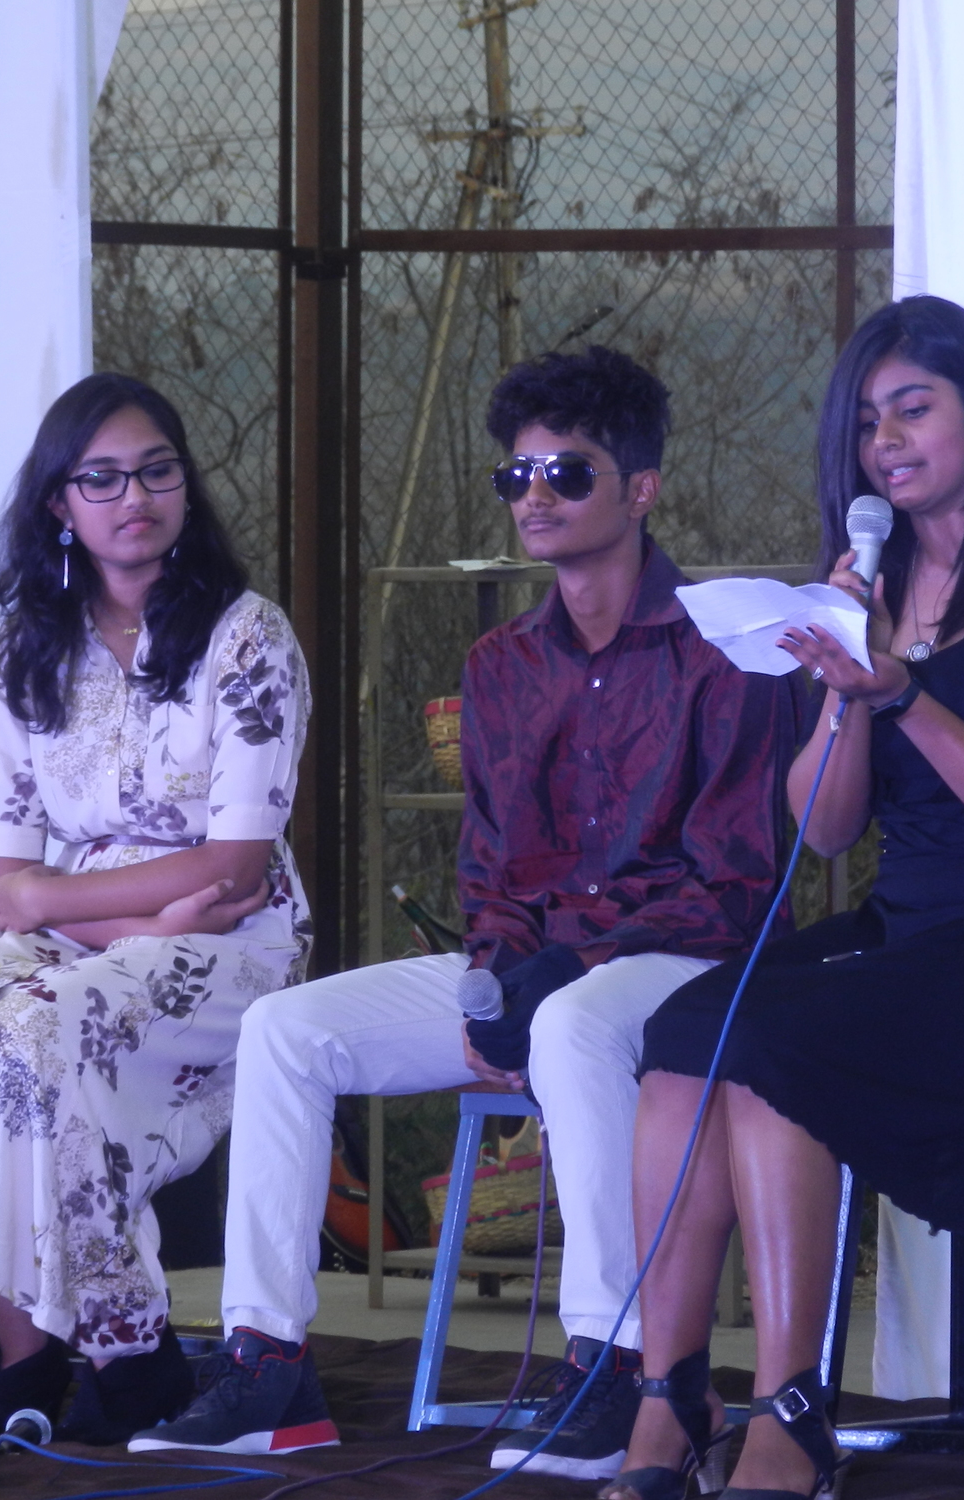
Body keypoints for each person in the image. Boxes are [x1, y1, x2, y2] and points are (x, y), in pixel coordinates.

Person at [138, 345, 805, 1465]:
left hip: (688, 968)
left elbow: (732, 880)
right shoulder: (500, 664)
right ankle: (268, 1368)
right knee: (285, 1029)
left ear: (641, 488)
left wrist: (564, 971)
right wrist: (495, 974)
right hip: (541, 969)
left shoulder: (724, 650)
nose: (534, 495)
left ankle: (619, 1368)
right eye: (516, 476)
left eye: (567, 473)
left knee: (574, 1022)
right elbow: (492, 866)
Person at [602, 295, 964, 1500]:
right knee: (684, 1032)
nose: (884, 443)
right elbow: (828, 826)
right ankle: (667, 1397)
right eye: (863, 423)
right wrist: (847, 678)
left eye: (911, 410)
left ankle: (791, 1415)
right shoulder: (873, 585)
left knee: (780, 1048)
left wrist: (903, 696)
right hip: (912, 928)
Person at [0, 373, 312, 1444]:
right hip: (107, 931)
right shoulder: (18, 651)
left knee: (38, 1030)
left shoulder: (246, 637)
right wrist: (129, 924)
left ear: (185, 486)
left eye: (157, 472)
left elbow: (234, 866)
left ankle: (127, 1353)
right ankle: (26, 1352)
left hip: (234, 940)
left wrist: (67, 903)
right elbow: (9, 887)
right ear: (59, 504)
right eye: (104, 479)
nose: (136, 497)